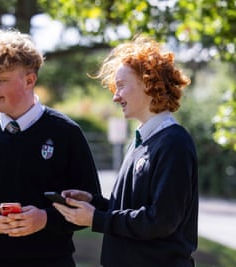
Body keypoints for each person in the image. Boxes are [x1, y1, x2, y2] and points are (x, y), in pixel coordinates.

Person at [0, 29, 101, 267]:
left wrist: (45, 219)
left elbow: (91, 205)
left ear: (30, 80)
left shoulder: (66, 133)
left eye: (1, 80)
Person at [53, 36, 198, 267]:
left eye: (121, 85)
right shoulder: (141, 140)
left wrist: (96, 219)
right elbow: (134, 210)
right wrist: (96, 203)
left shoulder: (174, 143)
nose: (115, 96)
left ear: (148, 82)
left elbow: (160, 221)